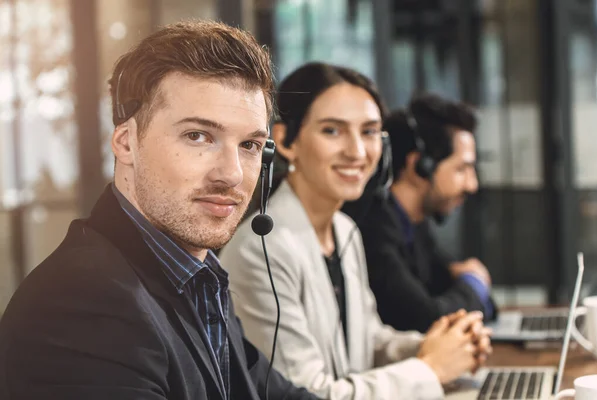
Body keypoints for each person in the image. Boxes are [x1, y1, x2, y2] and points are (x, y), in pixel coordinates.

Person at [0, 21, 319, 400]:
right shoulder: (84, 299)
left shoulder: (196, 277)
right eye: (198, 136)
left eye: (250, 145)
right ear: (126, 143)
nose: (232, 174)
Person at [219, 63, 492, 400]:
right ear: (287, 140)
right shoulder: (260, 251)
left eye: (369, 132)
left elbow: (370, 342)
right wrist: (431, 368)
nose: (358, 152)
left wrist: (443, 346)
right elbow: (310, 394)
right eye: (332, 131)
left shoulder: (344, 229)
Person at [342, 93, 496, 334]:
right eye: (462, 169)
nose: (472, 184)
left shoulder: (414, 224)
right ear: (420, 166)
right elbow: (428, 319)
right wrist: (474, 283)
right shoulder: (373, 230)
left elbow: (458, 295)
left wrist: (467, 284)